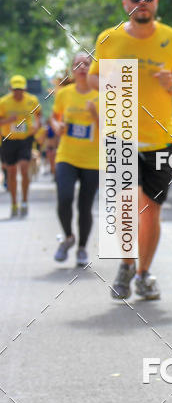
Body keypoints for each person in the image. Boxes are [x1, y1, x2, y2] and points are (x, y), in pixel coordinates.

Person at [88, 0, 172, 300]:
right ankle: (126, 264)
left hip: (161, 140)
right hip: (121, 137)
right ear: (125, 3)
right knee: (126, 206)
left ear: (156, 1)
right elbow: (90, 81)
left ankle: (144, 274)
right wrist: (111, 80)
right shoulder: (109, 38)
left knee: (151, 212)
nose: (141, 2)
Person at [51, 53, 100, 266]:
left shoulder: (103, 95)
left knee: (85, 206)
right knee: (64, 198)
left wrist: (95, 115)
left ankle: (81, 248)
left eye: (87, 64)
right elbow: (54, 117)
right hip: (67, 156)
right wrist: (57, 126)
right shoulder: (64, 94)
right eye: (77, 64)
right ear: (72, 70)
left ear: (92, 69)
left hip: (92, 159)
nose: (82, 67)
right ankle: (68, 237)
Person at [0, 74, 41, 217]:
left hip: (25, 139)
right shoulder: (4, 102)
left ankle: (24, 201)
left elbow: (38, 114)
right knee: (11, 172)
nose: (18, 92)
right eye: (15, 89)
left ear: (25, 89)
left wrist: (37, 127)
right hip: (9, 139)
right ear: (11, 88)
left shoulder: (32, 100)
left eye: (20, 89)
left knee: (24, 168)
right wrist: (8, 121)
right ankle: (14, 203)